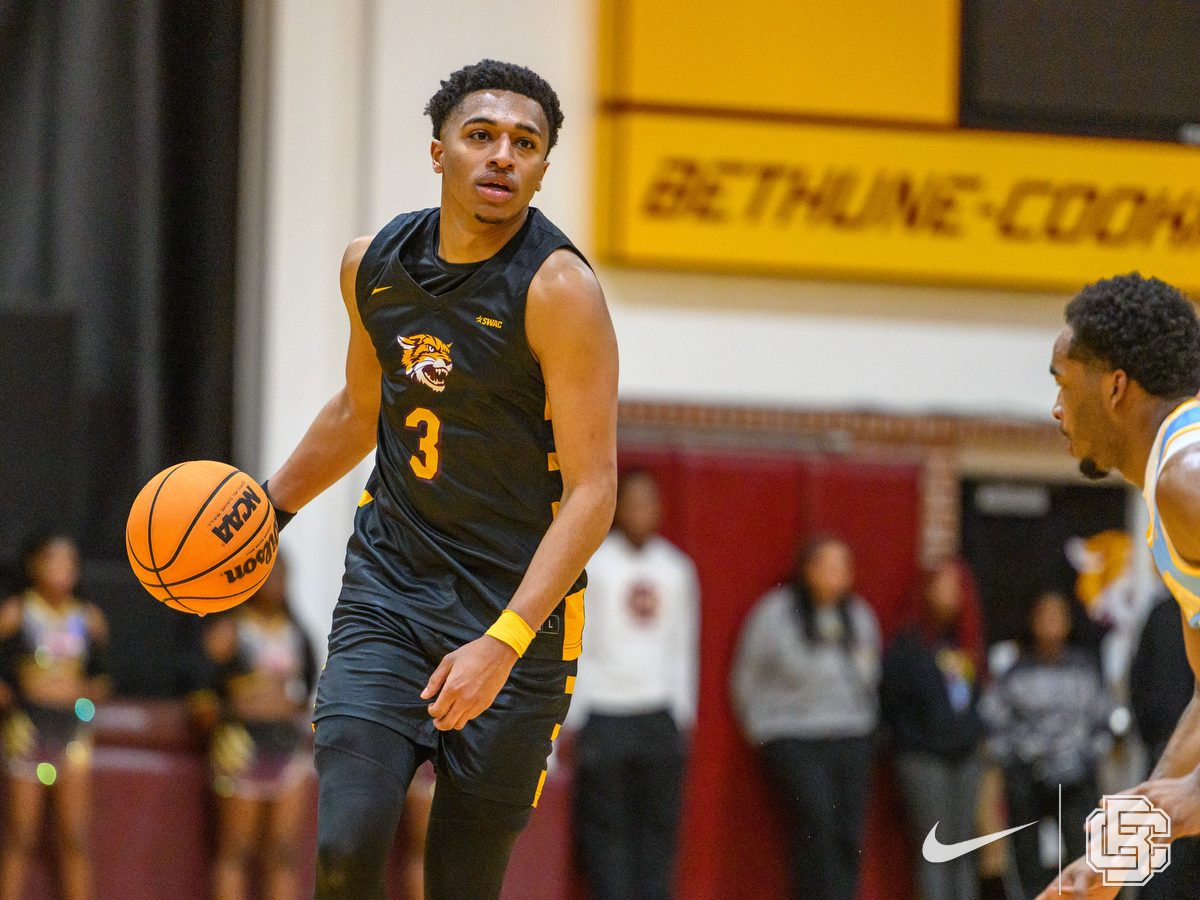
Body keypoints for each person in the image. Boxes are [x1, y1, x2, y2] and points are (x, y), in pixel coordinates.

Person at [260, 59, 619, 900]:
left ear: (543, 167)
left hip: (513, 614)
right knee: (347, 848)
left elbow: (595, 492)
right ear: (438, 152)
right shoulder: (371, 265)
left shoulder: (560, 291)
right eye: (481, 136)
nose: (503, 156)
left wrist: (503, 641)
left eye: (525, 143)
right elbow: (360, 412)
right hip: (390, 591)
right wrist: (266, 511)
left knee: (462, 882)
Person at [1042, 273, 1200, 899]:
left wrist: (1191, 797)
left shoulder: (1186, 477)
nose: (1056, 408)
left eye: (1062, 381)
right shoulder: (1174, 482)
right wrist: (1113, 856)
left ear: (1114, 386)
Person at [565, 469, 700, 900]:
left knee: (659, 832)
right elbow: (580, 644)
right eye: (633, 501)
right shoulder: (594, 564)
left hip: (657, 716)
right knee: (605, 833)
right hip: (604, 715)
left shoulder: (677, 568)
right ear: (618, 507)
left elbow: (683, 646)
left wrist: (682, 713)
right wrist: (574, 717)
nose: (642, 511)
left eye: (650, 501)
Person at [730, 535, 881, 900]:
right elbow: (746, 676)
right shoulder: (775, 613)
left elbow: (871, 673)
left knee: (849, 830)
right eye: (828, 566)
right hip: (792, 735)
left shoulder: (858, 616)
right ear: (807, 570)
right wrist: (759, 729)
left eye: (843, 567)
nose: (837, 574)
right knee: (817, 820)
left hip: (850, 732)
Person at [199, 553, 317, 900]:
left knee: (284, 852)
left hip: (286, 746)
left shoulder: (297, 633)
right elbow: (202, 692)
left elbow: (309, 690)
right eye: (268, 575)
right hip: (240, 745)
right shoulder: (229, 629)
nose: (275, 583)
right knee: (235, 850)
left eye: (281, 575)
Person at [981, 591, 1111, 900]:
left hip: (1077, 776)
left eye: (1058, 616)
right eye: (1044, 616)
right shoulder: (1015, 673)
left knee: (1086, 855)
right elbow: (993, 721)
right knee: (1026, 857)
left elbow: (1104, 720)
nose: (1051, 623)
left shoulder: (1085, 669)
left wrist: (1085, 756)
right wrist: (1018, 757)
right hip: (1028, 775)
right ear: (1033, 622)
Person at [0, 535, 109, 900]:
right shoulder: (17, 612)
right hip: (28, 728)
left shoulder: (88, 618)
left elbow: (103, 676)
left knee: (75, 836)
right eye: (53, 560)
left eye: (70, 562)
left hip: (73, 730)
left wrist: (87, 692)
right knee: (21, 834)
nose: (62, 570)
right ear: (34, 565)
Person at [880, 557, 987, 900]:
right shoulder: (907, 646)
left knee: (964, 848)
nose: (950, 593)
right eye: (943, 585)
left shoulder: (965, 644)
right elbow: (891, 704)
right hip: (923, 758)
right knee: (936, 849)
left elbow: (973, 699)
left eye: (956, 586)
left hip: (965, 757)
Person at [1129, 584, 1200, 900]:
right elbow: (1139, 682)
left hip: (1174, 747)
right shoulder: (1163, 614)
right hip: (1168, 744)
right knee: (1160, 867)